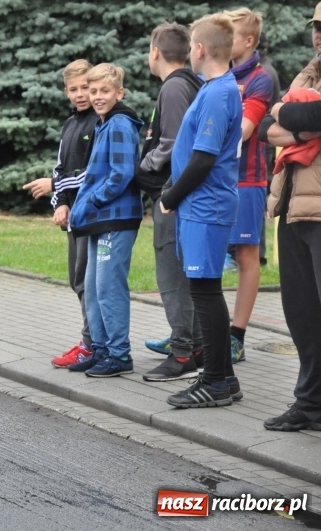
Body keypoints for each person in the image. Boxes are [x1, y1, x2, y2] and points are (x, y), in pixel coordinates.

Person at [160, 12, 243, 408]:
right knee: (206, 290)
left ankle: (215, 381)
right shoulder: (216, 88)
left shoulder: (217, 93)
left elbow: (203, 159)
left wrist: (171, 196)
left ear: (199, 49)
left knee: (206, 293)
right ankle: (224, 377)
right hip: (201, 207)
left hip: (204, 207)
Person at [257, 3, 321, 431]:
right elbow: (268, 125)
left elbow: (311, 114)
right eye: (317, 27)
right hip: (293, 207)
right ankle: (310, 405)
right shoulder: (309, 71)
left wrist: (294, 118)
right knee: (301, 314)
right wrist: (293, 120)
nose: (319, 34)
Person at [65, 63, 144, 378]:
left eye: (104, 91)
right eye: (92, 90)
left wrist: (93, 201)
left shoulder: (121, 124)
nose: (96, 97)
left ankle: (119, 353)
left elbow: (121, 174)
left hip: (117, 218)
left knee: (110, 287)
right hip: (100, 219)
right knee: (96, 287)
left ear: (119, 93)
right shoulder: (103, 123)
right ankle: (100, 349)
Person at [136, 22, 205, 382]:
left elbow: (174, 142)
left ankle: (181, 355)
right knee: (179, 273)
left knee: (172, 276)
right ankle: (194, 348)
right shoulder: (189, 83)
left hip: (171, 197)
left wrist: (144, 165)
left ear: (156, 52)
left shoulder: (175, 86)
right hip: (180, 195)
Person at [23, 59, 99, 368]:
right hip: (74, 216)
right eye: (73, 89)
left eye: (85, 87)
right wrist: (61, 202)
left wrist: (53, 184)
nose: (80, 94)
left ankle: (93, 343)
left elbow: (91, 173)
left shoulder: (100, 122)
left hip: (94, 215)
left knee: (89, 283)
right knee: (77, 280)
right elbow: (62, 166)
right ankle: (89, 340)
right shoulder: (70, 124)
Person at [224, 7, 274, 364]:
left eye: (231, 33)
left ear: (248, 40)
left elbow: (243, 130)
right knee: (206, 255)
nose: (223, 40)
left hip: (247, 180)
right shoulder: (217, 74)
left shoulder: (261, 78)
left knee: (245, 256)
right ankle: (195, 331)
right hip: (214, 180)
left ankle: (236, 336)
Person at [257, 33, 282, 266]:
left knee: (258, 203)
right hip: (264, 147)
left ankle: (259, 254)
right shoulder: (267, 70)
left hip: (262, 148)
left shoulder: (264, 74)